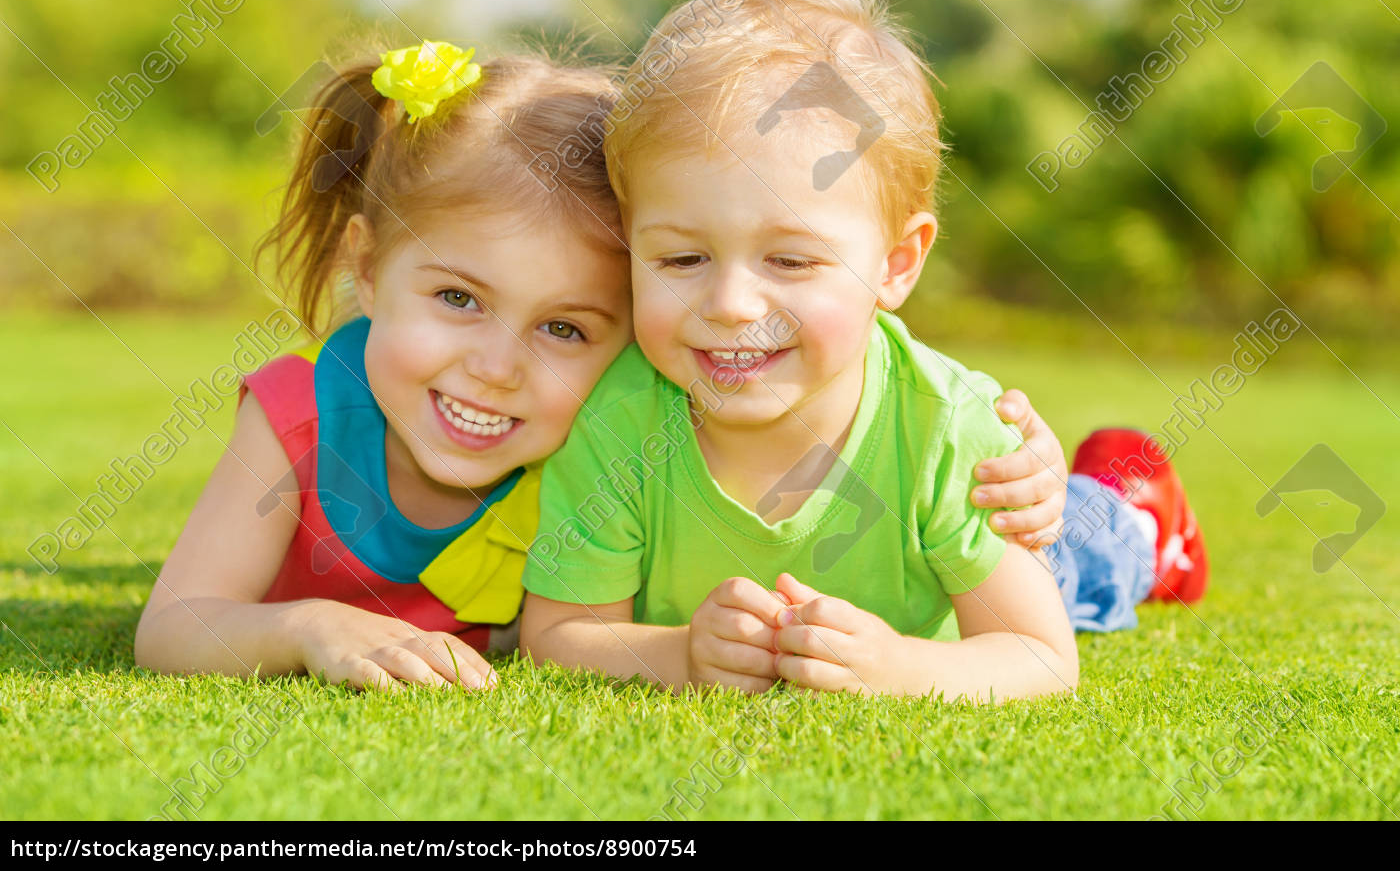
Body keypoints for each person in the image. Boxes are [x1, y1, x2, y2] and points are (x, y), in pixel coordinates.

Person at [134, 38, 1068, 692]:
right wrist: (306, 629)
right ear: (369, 269)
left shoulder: (609, 415)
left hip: (980, 551)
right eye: (458, 298)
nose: (495, 368)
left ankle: (1123, 502)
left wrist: (1028, 457)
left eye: (567, 329)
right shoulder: (300, 416)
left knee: (1095, 558)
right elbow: (174, 625)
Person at [519, 0, 1209, 702]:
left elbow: (1040, 657)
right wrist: (681, 654)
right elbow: (557, 635)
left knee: (1089, 561)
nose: (729, 304)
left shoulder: (947, 430)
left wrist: (898, 668)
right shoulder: (620, 421)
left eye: (789, 259)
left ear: (896, 263)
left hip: (1011, 569)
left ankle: (1136, 504)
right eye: (682, 257)